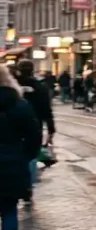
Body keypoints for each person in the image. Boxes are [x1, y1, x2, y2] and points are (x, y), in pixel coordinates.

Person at [0, 64, 42, 230]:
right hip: (11, 165)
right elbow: (34, 136)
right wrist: (24, 157)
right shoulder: (19, 104)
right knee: (8, 211)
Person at [15, 59, 55, 200]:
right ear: (32, 70)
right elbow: (46, 110)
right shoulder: (41, 87)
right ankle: (27, 187)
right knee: (31, 156)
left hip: (13, 126)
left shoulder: (11, 85)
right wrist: (51, 129)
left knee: (13, 155)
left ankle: (16, 183)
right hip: (34, 126)